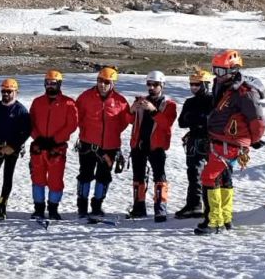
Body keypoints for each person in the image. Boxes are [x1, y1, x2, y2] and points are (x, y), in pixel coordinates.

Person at [195, 50, 265, 235]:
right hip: (220, 139)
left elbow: (258, 121)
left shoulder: (245, 92)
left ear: (234, 69)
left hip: (230, 142)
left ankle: (213, 221)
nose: (217, 75)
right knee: (223, 178)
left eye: (221, 71)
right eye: (215, 71)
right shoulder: (222, 85)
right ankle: (225, 219)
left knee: (209, 178)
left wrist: (254, 140)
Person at [75, 67, 132, 218]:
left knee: (104, 177)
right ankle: (82, 206)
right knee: (85, 175)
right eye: (100, 81)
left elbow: (125, 121)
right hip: (87, 144)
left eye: (107, 82)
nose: (102, 85)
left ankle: (97, 206)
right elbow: (76, 117)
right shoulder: (85, 97)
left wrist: (112, 134)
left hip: (109, 147)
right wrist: (86, 132)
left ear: (113, 83)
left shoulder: (120, 101)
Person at [28, 71, 79, 220]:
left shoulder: (69, 103)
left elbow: (72, 124)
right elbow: (30, 122)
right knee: (38, 178)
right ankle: (38, 208)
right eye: (48, 83)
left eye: (53, 83)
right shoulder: (37, 102)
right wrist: (37, 138)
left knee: (55, 180)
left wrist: (56, 139)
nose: (50, 86)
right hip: (39, 146)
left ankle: (53, 208)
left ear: (59, 84)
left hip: (57, 148)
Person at [128, 71, 178, 221]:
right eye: (149, 84)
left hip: (157, 145)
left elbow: (166, 124)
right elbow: (129, 120)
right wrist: (132, 110)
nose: (151, 88)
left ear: (162, 85)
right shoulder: (141, 101)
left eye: (155, 85)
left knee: (160, 177)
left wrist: (153, 110)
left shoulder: (169, 104)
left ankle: (160, 209)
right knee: (138, 176)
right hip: (139, 144)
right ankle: (138, 208)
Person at [0, 78, 31, 220]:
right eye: (3, 91)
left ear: (16, 92)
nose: (6, 94)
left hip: (11, 149)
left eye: (9, 91)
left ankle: (2, 205)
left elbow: (26, 131)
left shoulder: (21, 110)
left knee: (7, 177)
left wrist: (13, 146)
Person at [175, 69, 214, 219]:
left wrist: (196, 118)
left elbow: (213, 121)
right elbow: (181, 122)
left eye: (197, 84)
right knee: (193, 173)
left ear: (205, 84)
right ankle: (194, 205)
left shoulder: (214, 101)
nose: (193, 87)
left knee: (211, 175)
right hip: (194, 141)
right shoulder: (190, 102)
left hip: (210, 141)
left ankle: (211, 206)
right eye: (192, 84)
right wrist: (198, 119)